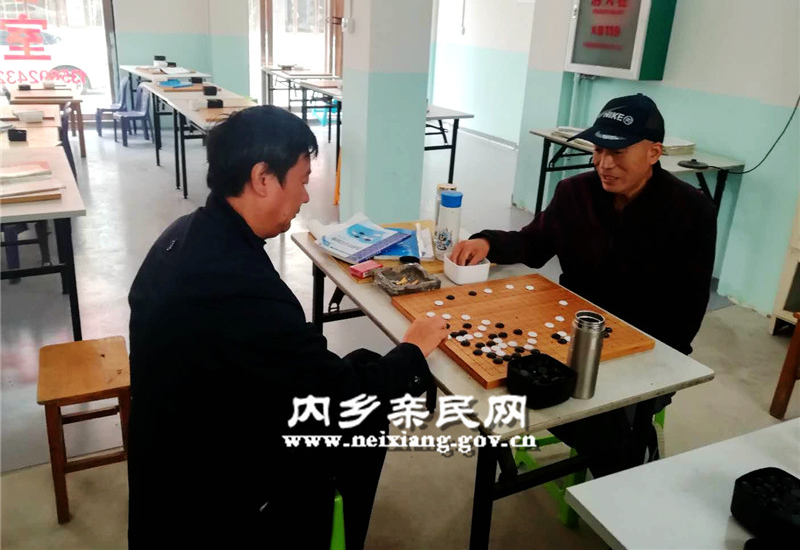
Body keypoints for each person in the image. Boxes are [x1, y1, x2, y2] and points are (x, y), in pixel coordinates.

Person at [127, 106, 448, 549]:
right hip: (210, 496)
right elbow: (340, 395)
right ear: (263, 178)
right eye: (302, 180)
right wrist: (412, 351)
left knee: (362, 362)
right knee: (365, 412)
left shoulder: (185, 234)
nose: (306, 197)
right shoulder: (240, 287)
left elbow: (286, 362)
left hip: (172, 457)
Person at [452, 93, 716, 476]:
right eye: (598, 150)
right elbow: (534, 243)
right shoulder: (574, 193)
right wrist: (488, 242)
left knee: (602, 427)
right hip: (568, 332)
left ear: (653, 152)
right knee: (506, 384)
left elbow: (688, 308)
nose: (604, 164)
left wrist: (653, 367)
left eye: (618, 152)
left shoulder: (690, 210)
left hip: (644, 349)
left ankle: (630, 461)